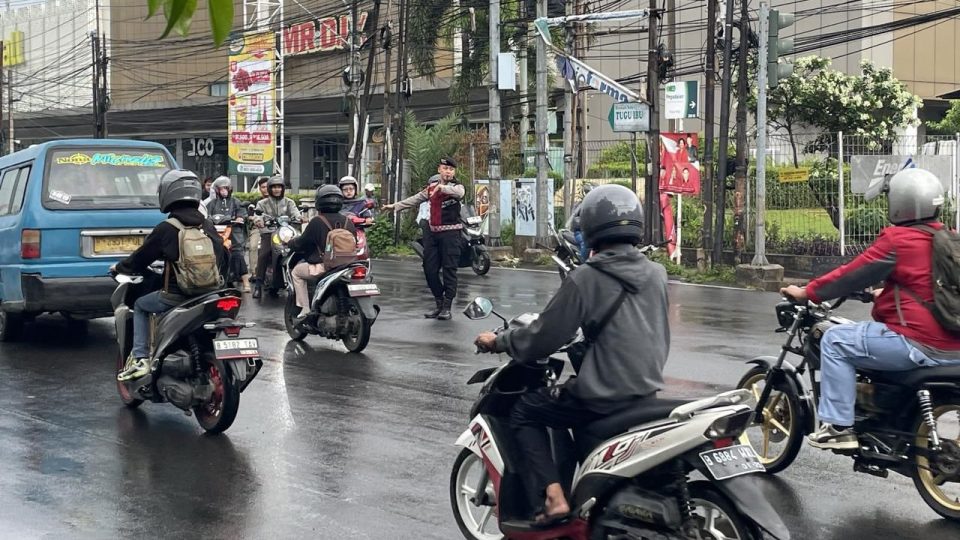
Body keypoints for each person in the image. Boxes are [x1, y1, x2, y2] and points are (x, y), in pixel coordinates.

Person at [474, 184, 669, 524]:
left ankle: (554, 499)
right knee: (560, 408)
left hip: (603, 395)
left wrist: (500, 341)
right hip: (646, 390)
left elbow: (543, 338)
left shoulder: (586, 278)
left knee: (526, 411)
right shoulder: (657, 274)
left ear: (591, 230)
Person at [780, 168, 960, 450]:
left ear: (901, 202)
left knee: (835, 340)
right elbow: (930, 286)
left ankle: (839, 427)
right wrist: (884, 294)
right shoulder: (949, 239)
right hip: (954, 347)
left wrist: (807, 292)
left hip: (919, 344)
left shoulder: (898, 240)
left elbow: (851, 275)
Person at [112, 170, 226, 381]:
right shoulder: (206, 225)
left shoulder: (167, 228)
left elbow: (141, 258)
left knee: (140, 305)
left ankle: (140, 359)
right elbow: (222, 254)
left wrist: (120, 268)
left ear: (167, 195)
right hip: (210, 293)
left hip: (177, 295)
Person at [383, 157, 464, 320]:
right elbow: (415, 199)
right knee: (429, 270)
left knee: (449, 270)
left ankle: (447, 307)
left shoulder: (457, 186)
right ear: (439, 170)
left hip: (451, 235)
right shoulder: (431, 188)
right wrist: (396, 206)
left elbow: (460, 193)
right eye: (445, 169)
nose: (448, 172)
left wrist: (442, 188)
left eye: (451, 170)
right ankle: (439, 303)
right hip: (433, 235)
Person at [286, 185, 356, 319]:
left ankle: (305, 308)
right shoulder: (348, 221)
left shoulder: (317, 221)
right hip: (348, 266)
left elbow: (301, 243)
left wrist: (290, 242)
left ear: (319, 202)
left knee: (296, 272)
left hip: (325, 267)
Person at [252, 176, 301, 298]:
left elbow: (296, 214)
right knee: (264, 254)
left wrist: (299, 218)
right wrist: (259, 221)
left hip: (286, 233)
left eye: (279, 187)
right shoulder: (262, 203)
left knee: (299, 250)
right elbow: (257, 215)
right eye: (273, 187)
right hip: (269, 233)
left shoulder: (289, 202)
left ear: (283, 188)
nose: (276, 189)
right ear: (269, 189)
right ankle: (258, 285)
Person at [205, 176, 252, 293]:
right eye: (221, 189)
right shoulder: (212, 203)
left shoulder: (236, 202)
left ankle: (246, 282)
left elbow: (242, 213)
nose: (223, 191)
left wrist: (240, 218)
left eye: (225, 188)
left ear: (230, 189)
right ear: (217, 190)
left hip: (234, 233)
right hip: (217, 234)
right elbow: (205, 215)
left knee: (238, 255)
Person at [247, 176, 271, 283]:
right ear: (260, 188)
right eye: (263, 187)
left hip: (275, 228)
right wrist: (257, 219)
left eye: (267, 187)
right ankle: (255, 273)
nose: (265, 189)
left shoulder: (280, 201)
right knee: (253, 246)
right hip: (259, 228)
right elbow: (250, 215)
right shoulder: (256, 202)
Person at [565, 182, 594, 261]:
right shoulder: (579, 205)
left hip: (590, 231)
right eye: (587, 192)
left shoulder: (594, 206)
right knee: (584, 243)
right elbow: (573, 218)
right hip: (580, 232)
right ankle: (584, 262)